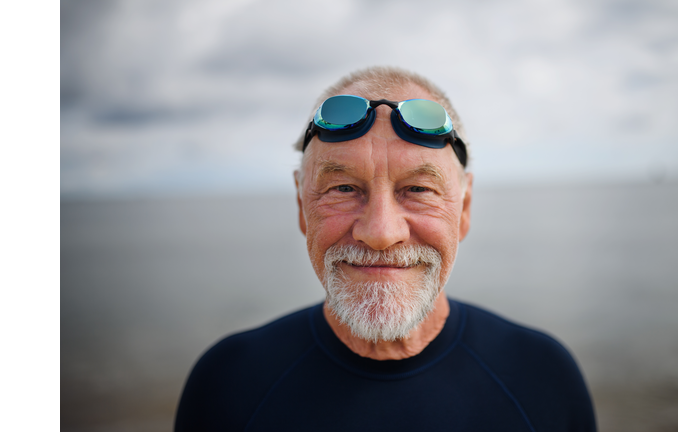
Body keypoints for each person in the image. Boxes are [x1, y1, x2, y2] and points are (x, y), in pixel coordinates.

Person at [175, 66, 596, 432]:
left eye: (417, 189)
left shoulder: (543, 376)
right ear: (302, 207)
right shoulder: (228, 381)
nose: (380, 232)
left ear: (463, 210)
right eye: (343, 188)